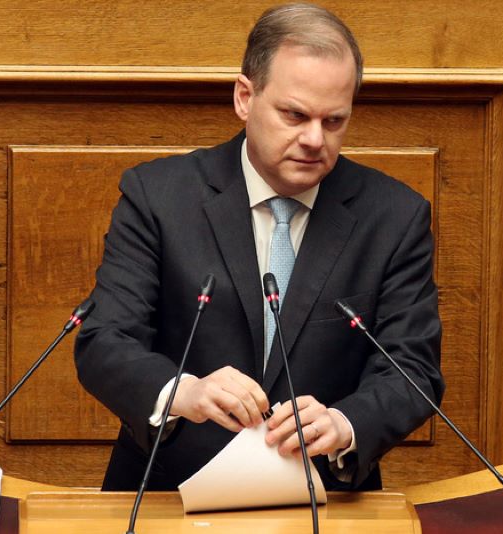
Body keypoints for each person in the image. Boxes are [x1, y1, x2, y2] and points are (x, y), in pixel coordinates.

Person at [74, 2, 443, 492]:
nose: (314, 139)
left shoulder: (394, 216)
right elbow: (104, 341)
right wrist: (184, 392)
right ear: (245, 98)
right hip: (167, 495)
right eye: (295, 115)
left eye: (334, 121)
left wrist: (344, 424)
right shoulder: (159, 197)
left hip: (323, 501)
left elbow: (413, 369)